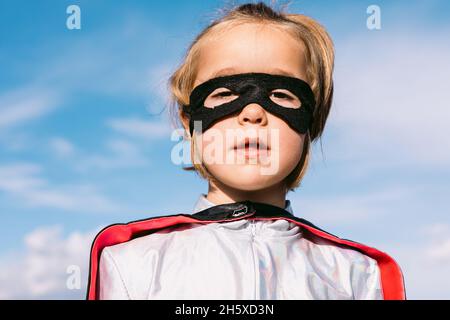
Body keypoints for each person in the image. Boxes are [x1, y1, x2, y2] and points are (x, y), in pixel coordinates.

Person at [86, 2, 406, 300]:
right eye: (225, 93)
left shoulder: (355, 276)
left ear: (311, 122)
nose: (252, 113)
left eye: (281, 95)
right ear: (190, 124)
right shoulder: (130, 265)